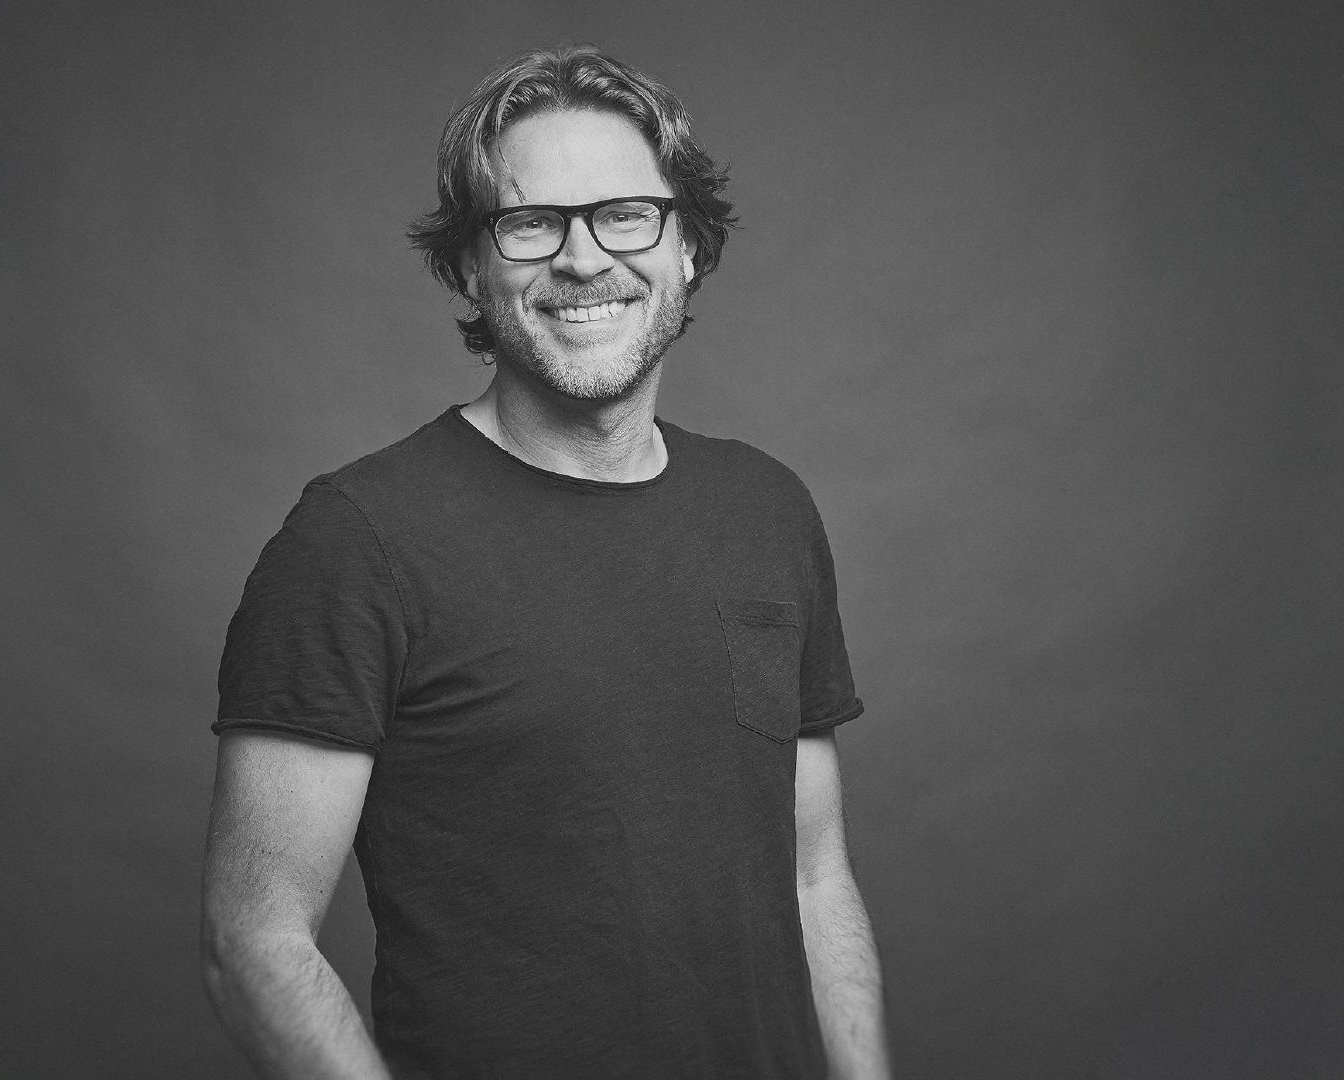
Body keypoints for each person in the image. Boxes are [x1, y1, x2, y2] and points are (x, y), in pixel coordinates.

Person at [202, 43, 891, 1079]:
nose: (583, 258)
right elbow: (253, 940)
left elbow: (814, 878)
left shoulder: (768, 510)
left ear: (689, 248)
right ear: (469, 267)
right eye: (531, 223)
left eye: (627, 214)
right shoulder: (357, 540)